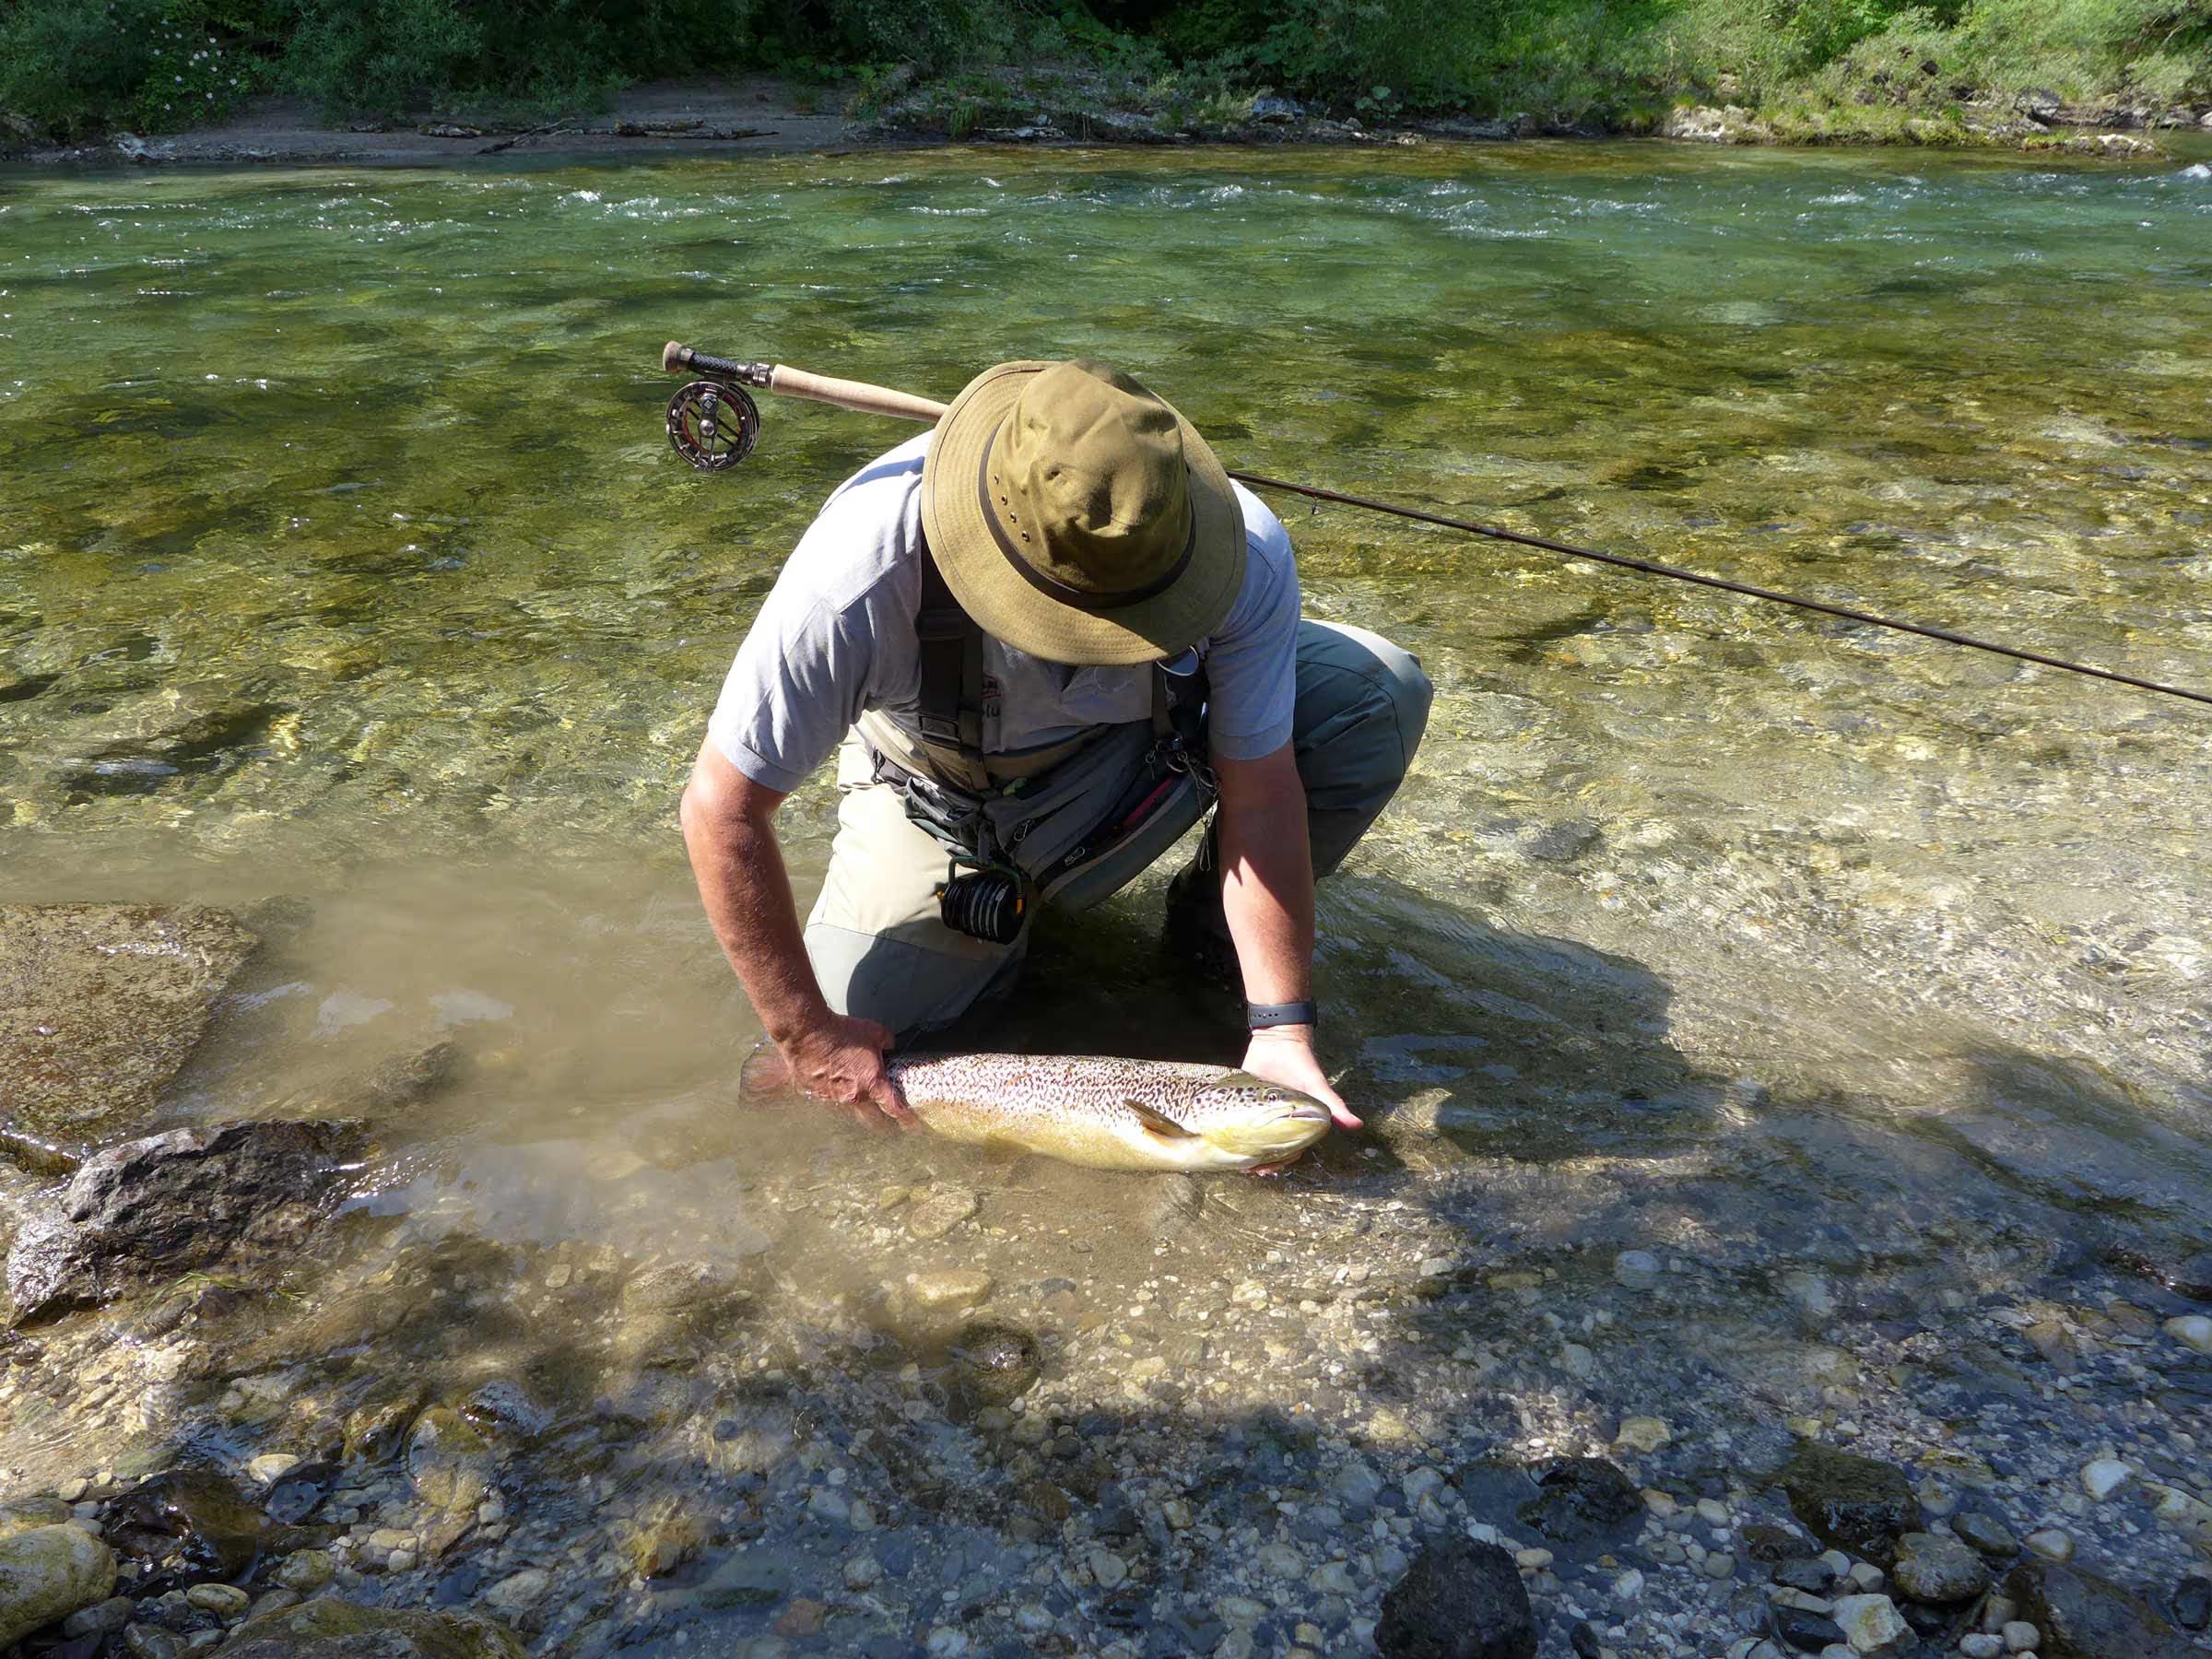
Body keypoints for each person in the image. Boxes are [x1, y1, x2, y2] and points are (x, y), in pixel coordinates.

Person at [679, 359, 1430, 1134]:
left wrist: (1282, 1028)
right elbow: (721, 811)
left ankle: (1205, 942)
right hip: (939, 793)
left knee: (1372, 694)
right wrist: (807, 1034)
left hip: (1135, 760)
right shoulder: (861, 572)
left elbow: (1262, 789)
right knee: (850, 1071)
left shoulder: (1242, 548)